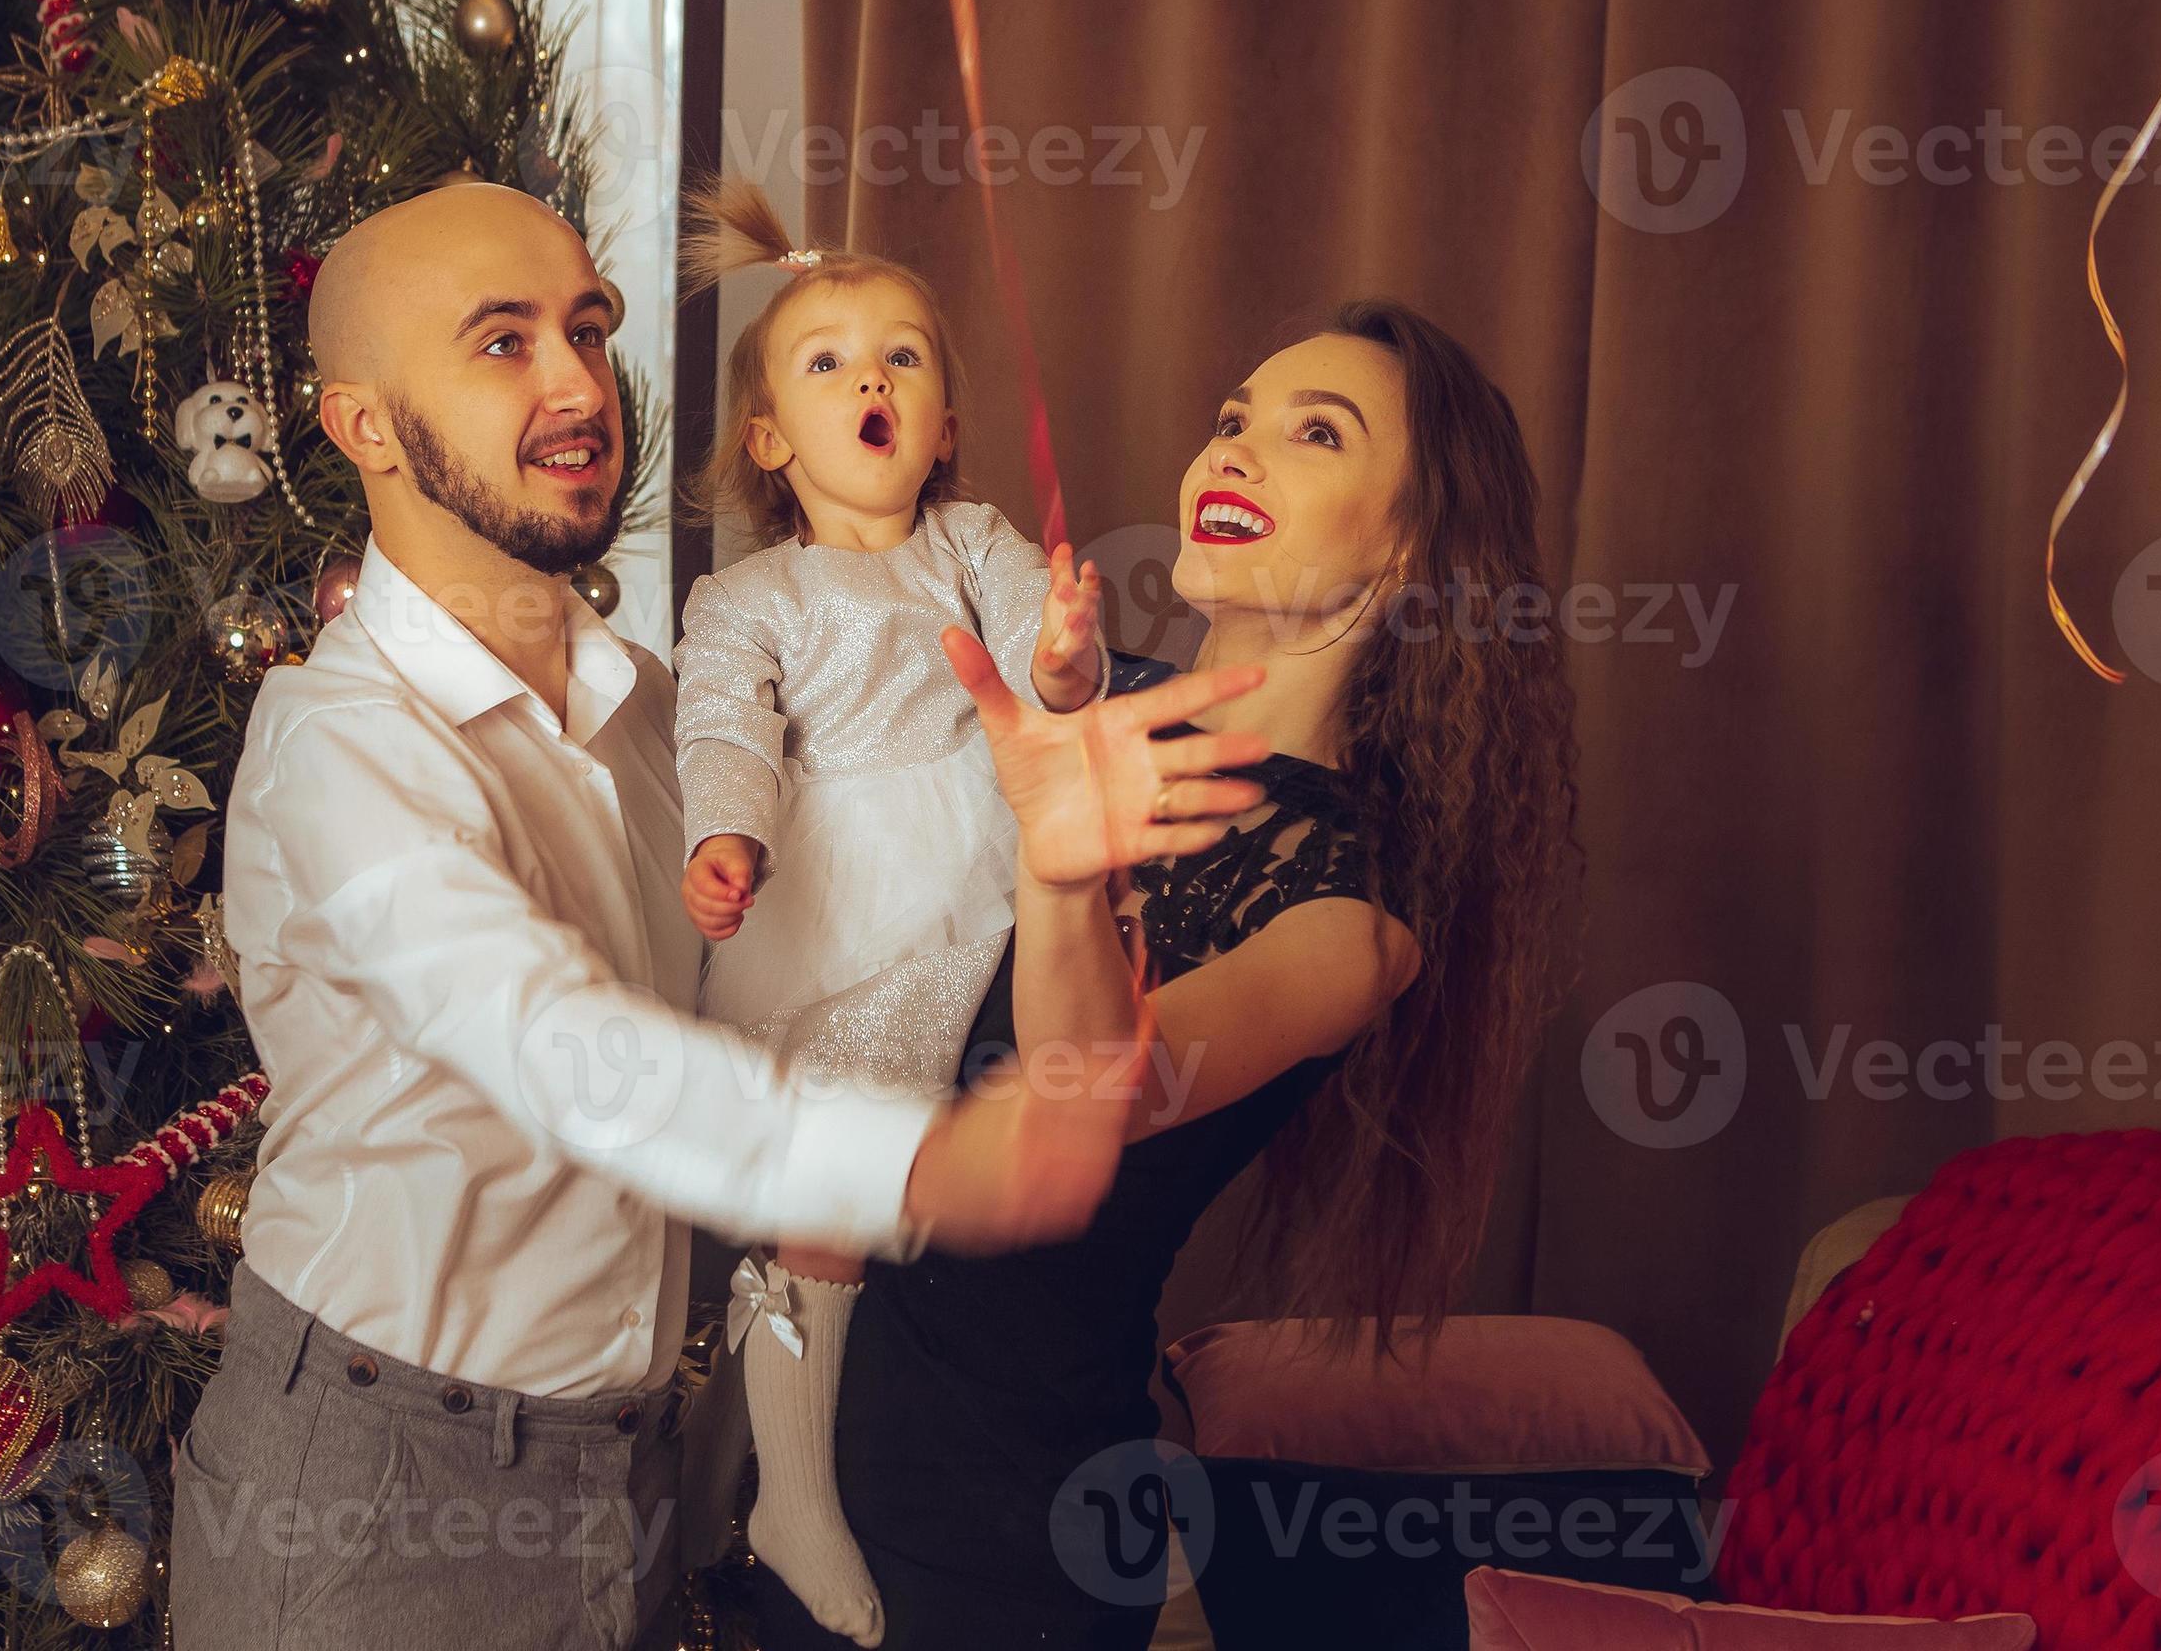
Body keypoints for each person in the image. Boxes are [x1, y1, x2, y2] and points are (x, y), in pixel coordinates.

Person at [174, 182, 1274, 1651]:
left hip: (622, 1476)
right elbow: (558, 1054)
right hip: (380, 1494)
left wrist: (1057, 856)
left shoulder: (663, 718)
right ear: (364, 425)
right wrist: (937, 1164)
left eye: (588, 327)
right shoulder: (339, 747)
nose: (576, 386)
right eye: (501, 344)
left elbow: (798, 969)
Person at [753, 300, 1579, 1649]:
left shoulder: (1350, 921)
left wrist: (1065, 871)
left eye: (1316, 434)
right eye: (1232, 419)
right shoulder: (1069, 696)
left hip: (988, 1533)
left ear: (1418, 542)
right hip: (769, 1429)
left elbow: (1093, 1094)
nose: (1236, 452)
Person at [669, 177, 1106, 1645]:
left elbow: (1049, 682)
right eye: (830, 361)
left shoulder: (972, 541)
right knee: (824, 1204)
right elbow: (725, 728)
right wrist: (729, 832)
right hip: (837, 886)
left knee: (875, 1203)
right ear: (769, 439)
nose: (873, 378)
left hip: (976, 880)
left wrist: (1060, 654)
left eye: (904, 357)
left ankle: (759, 1464)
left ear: (944, 421)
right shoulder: (750, 600)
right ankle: (779, 1495)